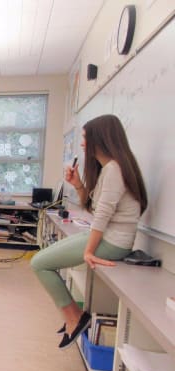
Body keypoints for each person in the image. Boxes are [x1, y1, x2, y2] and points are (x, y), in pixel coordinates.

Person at [31, 114, 147, 349]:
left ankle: (74, 318)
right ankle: (74, 316)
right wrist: (78, 185)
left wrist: (89, 251)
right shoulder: (111, 169)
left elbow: (102, 217)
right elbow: (95, 209)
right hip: (109, 238)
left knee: (39, 263)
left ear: (100, 138)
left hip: (112, 242)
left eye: (85, 138)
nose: (82, 144)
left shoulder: (114, 169)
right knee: (43, 258)